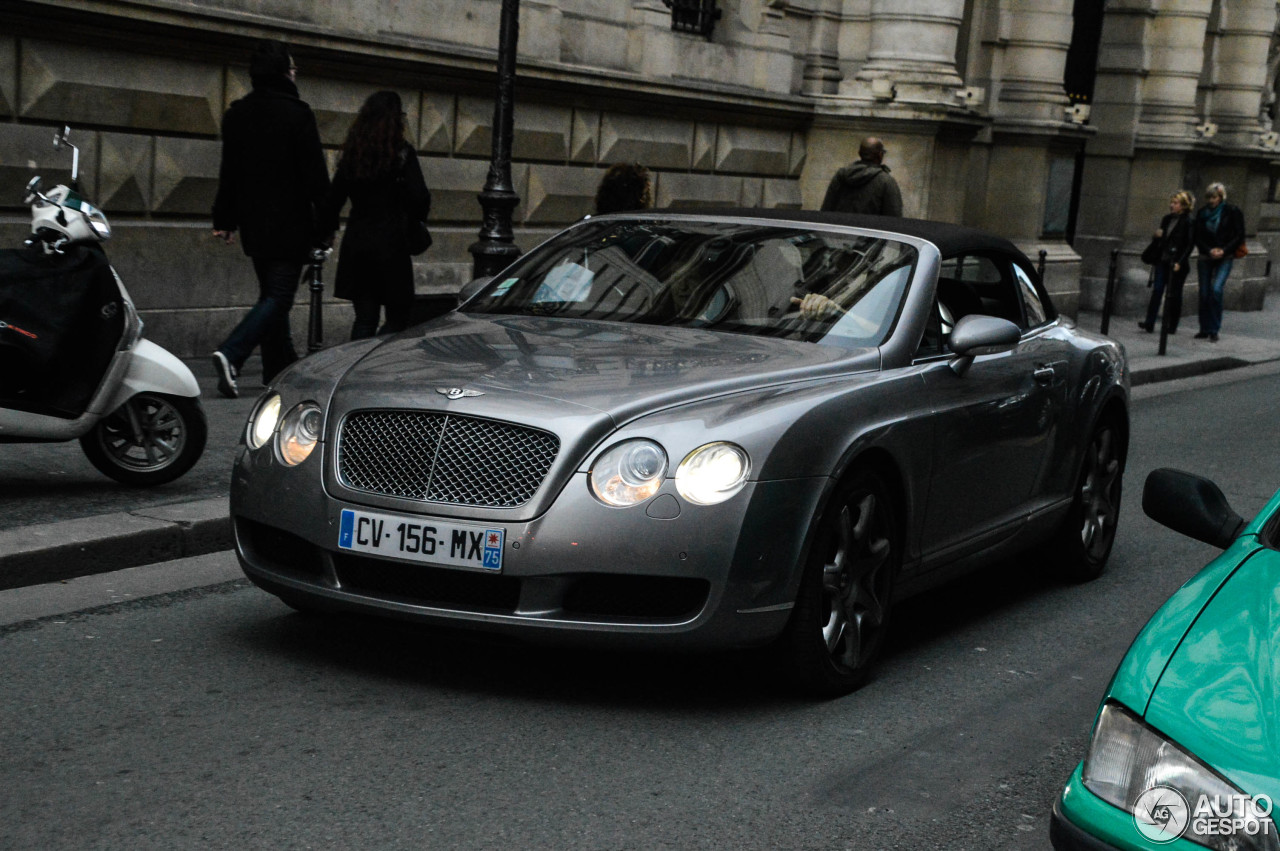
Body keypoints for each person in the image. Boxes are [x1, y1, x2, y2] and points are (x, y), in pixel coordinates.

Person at [210, 39, 329, 398]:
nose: (296, 73)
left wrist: (225, 219)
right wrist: (326, 227)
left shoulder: (237, 114)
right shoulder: (298, 113)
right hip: (290, 224)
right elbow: (315, 177)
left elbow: (229, 172)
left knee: (271, 294)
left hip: (254, 224)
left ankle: (278, 368)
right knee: (279, 296)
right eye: (293, 67)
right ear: (283, 72)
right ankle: (232, 354)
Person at [320, 91, 432, 340]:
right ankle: (376, 357)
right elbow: (420, 197)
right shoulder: (402, 154)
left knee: (364, 319)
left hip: (358, 243)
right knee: (398, 318)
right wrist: (413, 218)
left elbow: (332, 201)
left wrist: (326, 234)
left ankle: (357, 367)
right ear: (396, 119)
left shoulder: (353, 155)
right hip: (392, 244)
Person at [1193, 182, 1245, 342]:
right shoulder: (1202, 213)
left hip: (1225, 256)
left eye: (1214, 197)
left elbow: (1239, 235)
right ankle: (1204, 328)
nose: (1211, 200)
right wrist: (1209, 250)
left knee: (1216, 290)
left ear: (1221, 197)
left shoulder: (1232, 212)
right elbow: (1197, 236)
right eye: (1209, 197)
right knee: (1204, 292)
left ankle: (1214, 329)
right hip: (1206, 255)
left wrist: (1223, 250)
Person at [1138, 190, 1195, 334]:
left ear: (1183, 206)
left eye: (1175, 203)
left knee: (1174, 294)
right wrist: (1156, 236)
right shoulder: (1167, 219)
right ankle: (1149, 322)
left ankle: (1172, 325)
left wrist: (1180, 262)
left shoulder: (1188, 222)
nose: (1171, 205)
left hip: (1176, 263)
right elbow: (1161, 239)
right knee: (1157, 290)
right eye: (1172, 202)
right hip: (1162, 260)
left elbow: (1189, 245)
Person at [819, 137, 903, 217]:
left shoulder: (841, 175)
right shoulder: (886, 181)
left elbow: (827, 207)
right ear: (880, 155)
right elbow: (894, 216)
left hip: (838, 229)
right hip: (868, 231)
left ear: (859, 153)